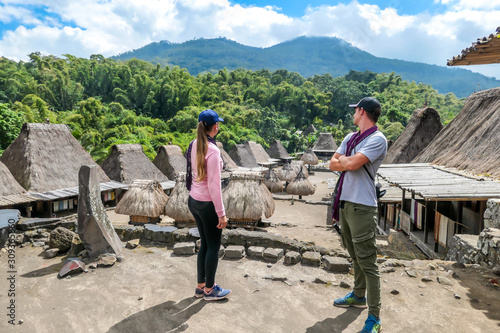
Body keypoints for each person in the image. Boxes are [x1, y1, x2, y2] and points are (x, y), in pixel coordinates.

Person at [329, 97, 387, 333]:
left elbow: (351, 164)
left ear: (362, 111)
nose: (353, 114)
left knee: (368, 261)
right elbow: (332, 164)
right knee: (354, 254)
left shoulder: (377, 139)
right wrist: (345, 160)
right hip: (345, 203)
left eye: (355, 111)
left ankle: (374, 317)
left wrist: (344, 161)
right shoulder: (350, 138)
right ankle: (359, 295)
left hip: (363, 206)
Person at [186, 109, 231, 301]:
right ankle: (210, 290)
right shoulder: (212, 151)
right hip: (207, 204)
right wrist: (221, 213)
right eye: (217, 124)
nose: (218, 126)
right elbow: (214, 186)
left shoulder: (193, 144)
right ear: (214, 127)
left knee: (204, 244)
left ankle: (200, 286)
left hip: (194, 200)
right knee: (213, 246)